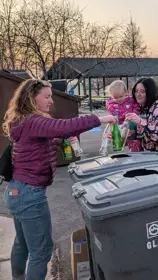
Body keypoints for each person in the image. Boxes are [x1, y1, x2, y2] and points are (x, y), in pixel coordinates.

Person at [2, 79, 115, 280]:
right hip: (30, 195)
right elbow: (64, 126)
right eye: (46, 96)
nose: (51, 101)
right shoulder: (33, 121)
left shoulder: (22, 121)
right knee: (41, 252)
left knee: (22, 243)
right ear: (31, 97)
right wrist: (101, 119)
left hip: (16, 191)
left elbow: (36, 143)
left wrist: (55, 140)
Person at [125, 78, 158, 154]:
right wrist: (124, 135)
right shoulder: (143, 109)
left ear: (150, 92)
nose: (138, 94)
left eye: (143, 91)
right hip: (151, 156)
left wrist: (140, 121)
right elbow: (142, 134)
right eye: (136, 91)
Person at [105, 80, 142, 152]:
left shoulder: (131, 100)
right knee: (116, 140)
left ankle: (135, 152)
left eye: (121, 96)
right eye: (115, 97)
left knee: (134, 141)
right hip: (118, 126)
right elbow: (112, 115)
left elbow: (136, 108)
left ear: (126, 92)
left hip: (130, 125)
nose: (118, 99)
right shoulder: (111, 104)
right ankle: (117, 151)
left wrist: (133, 115)